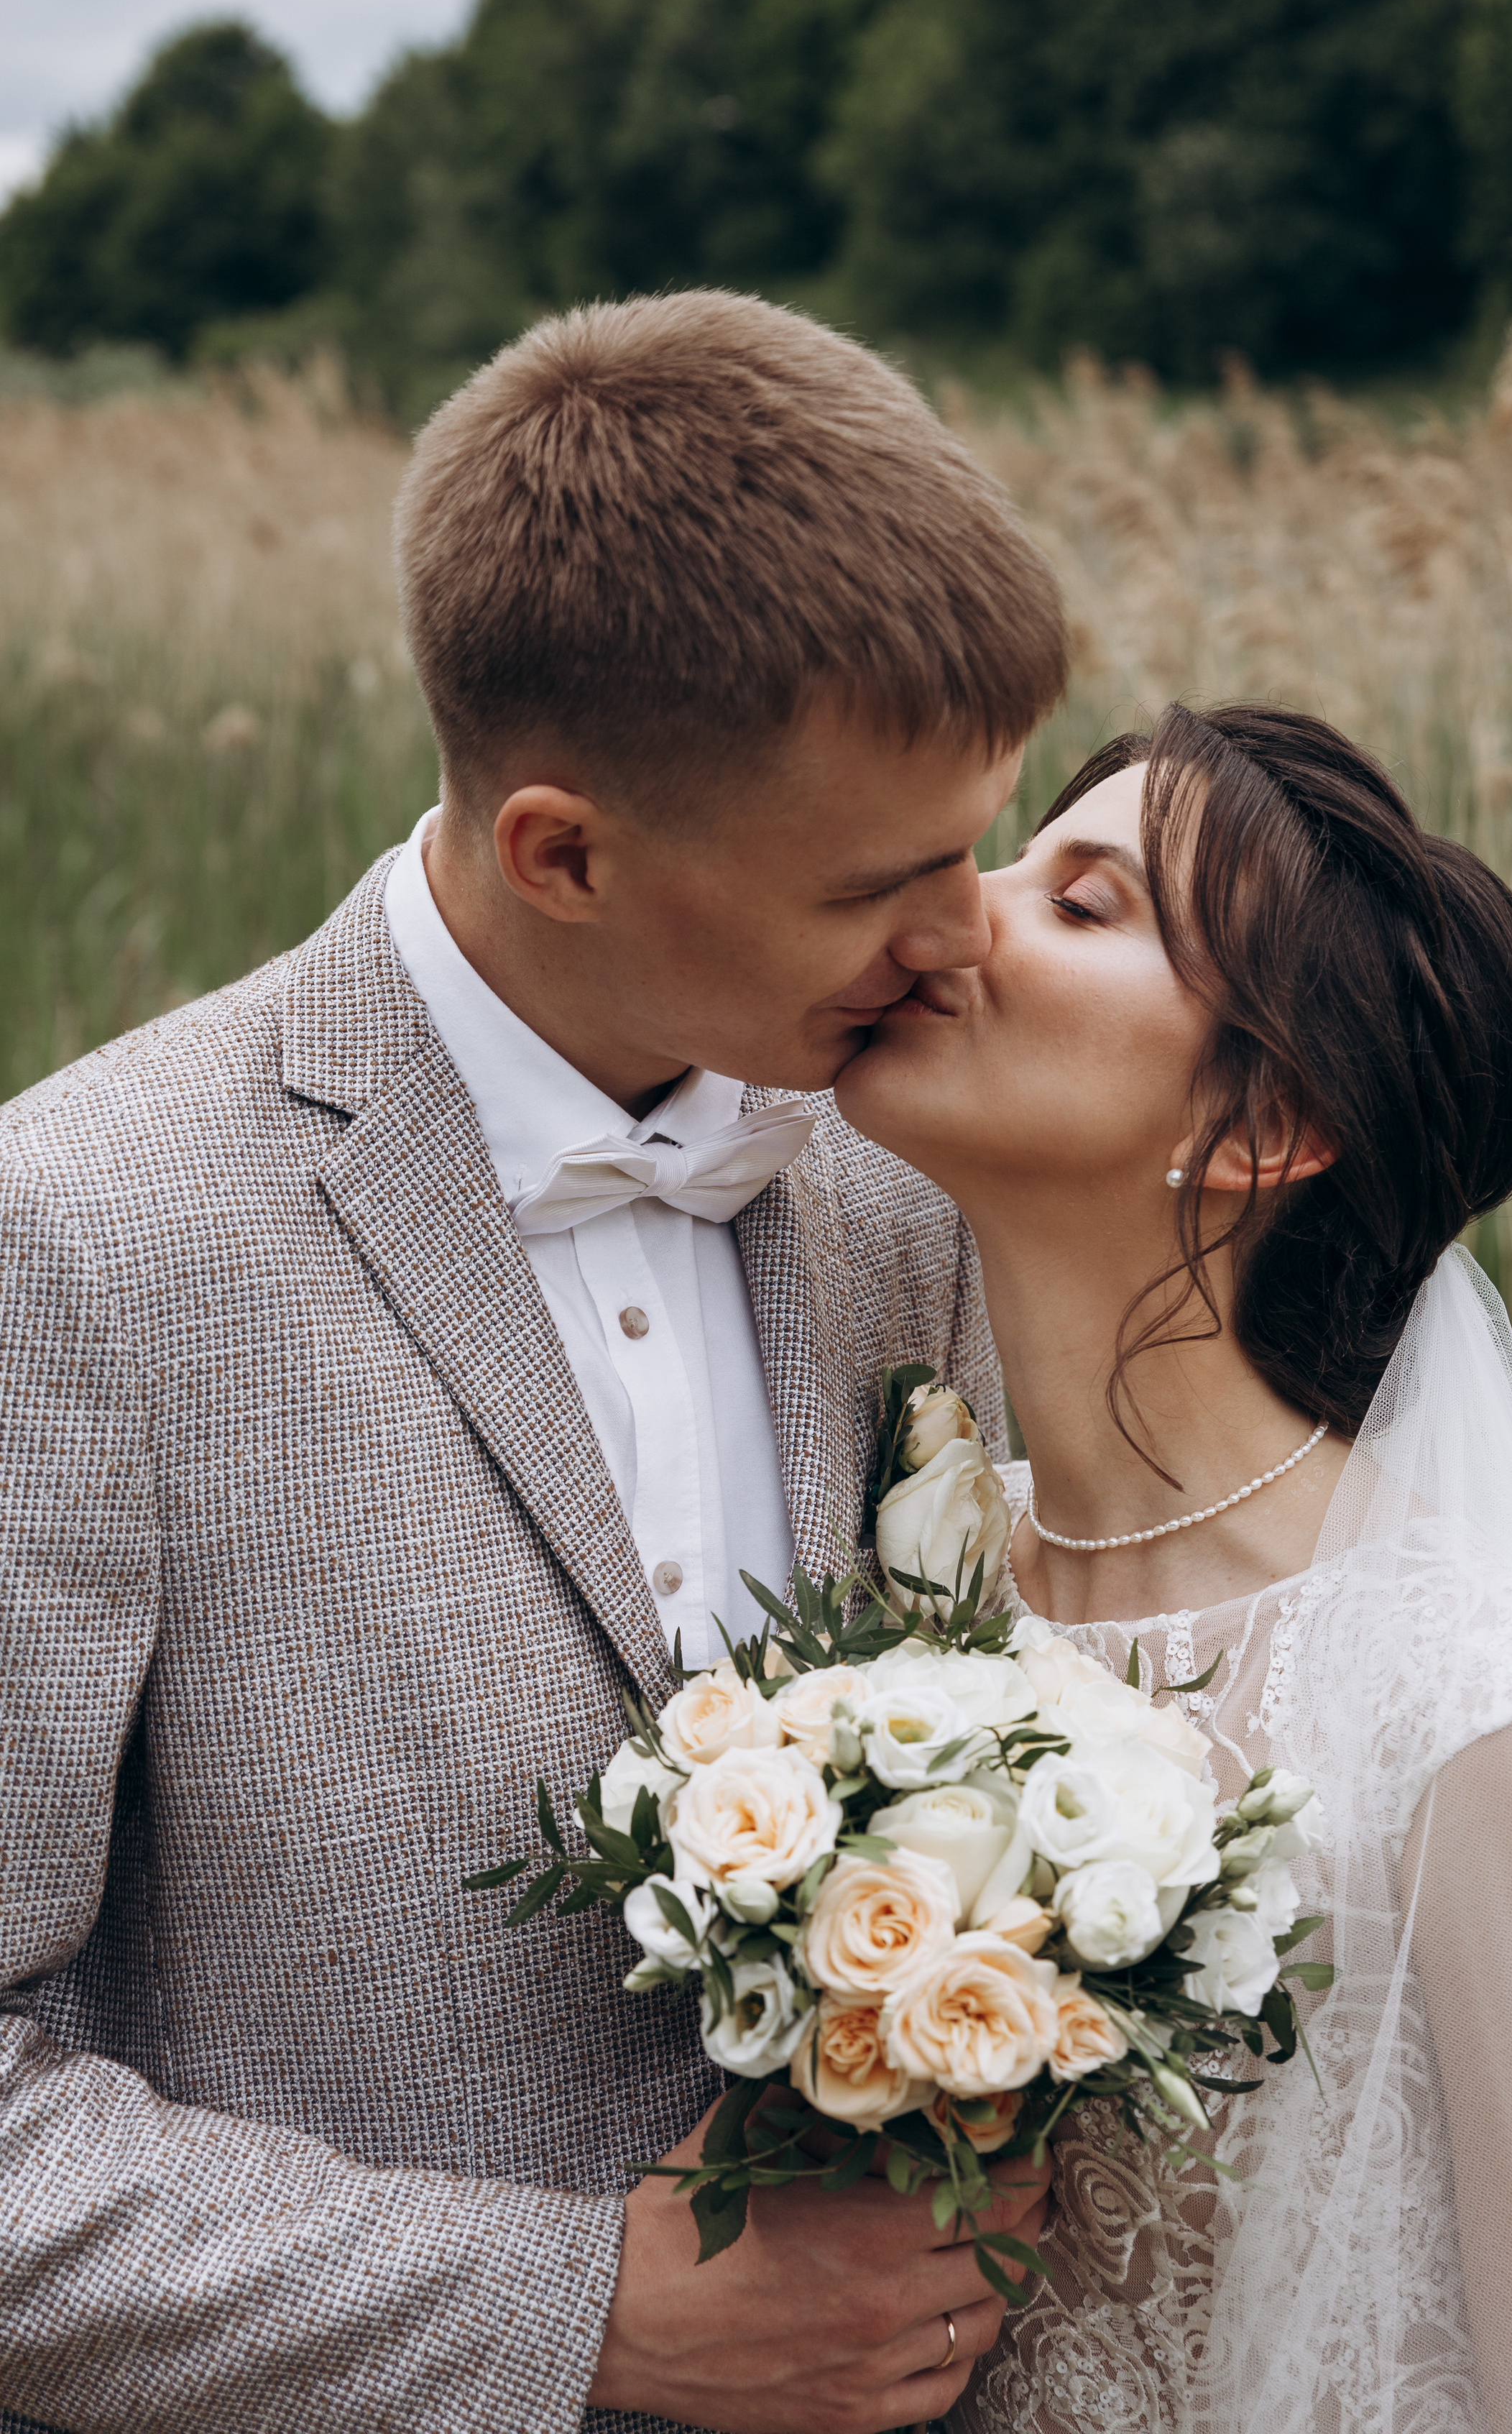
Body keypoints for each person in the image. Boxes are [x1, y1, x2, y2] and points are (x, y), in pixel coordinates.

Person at [0, 293, 1062, 2434]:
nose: (974, 938)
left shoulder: (912, 1179)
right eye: (889, 880)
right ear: (561, 853)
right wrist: (580, 2308)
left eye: (983, 838)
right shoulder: (78, 1240)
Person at [837, 700, 1512, 2433]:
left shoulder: (1469, 1716)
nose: (954, 912)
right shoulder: (917, 1586)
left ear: (1262, 1125)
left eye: (1080, 905)